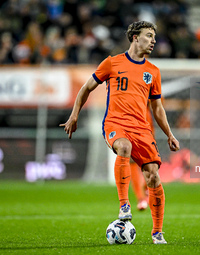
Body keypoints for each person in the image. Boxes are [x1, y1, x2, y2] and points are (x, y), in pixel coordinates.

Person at [60, 21, 180, 244]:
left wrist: (170, 134)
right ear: (135, 37)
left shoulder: (153, 72)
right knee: (124, 147)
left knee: (153, 175)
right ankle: (124, 205)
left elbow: (157, 108)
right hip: (115, 123)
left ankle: (157, 232)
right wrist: (74, 115)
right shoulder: (112, 63)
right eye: (149, 35)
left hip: (142, 128)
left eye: (154, 36)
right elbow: (86, 88)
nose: (153, 40)